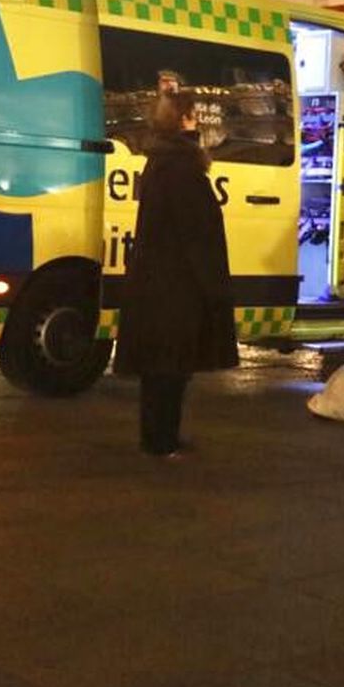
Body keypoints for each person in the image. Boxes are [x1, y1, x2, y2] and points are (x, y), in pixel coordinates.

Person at [114, 77, 239, 461]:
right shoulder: (182, 167)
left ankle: (158, 437)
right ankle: (161, 440)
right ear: (183, 119)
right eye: (193, 115)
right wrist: (213, 287)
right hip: (177, 286)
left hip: (159, 282)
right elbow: (196, 233)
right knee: (171, 368)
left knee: (161, 369)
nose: (197, 121)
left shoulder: (161, 161)